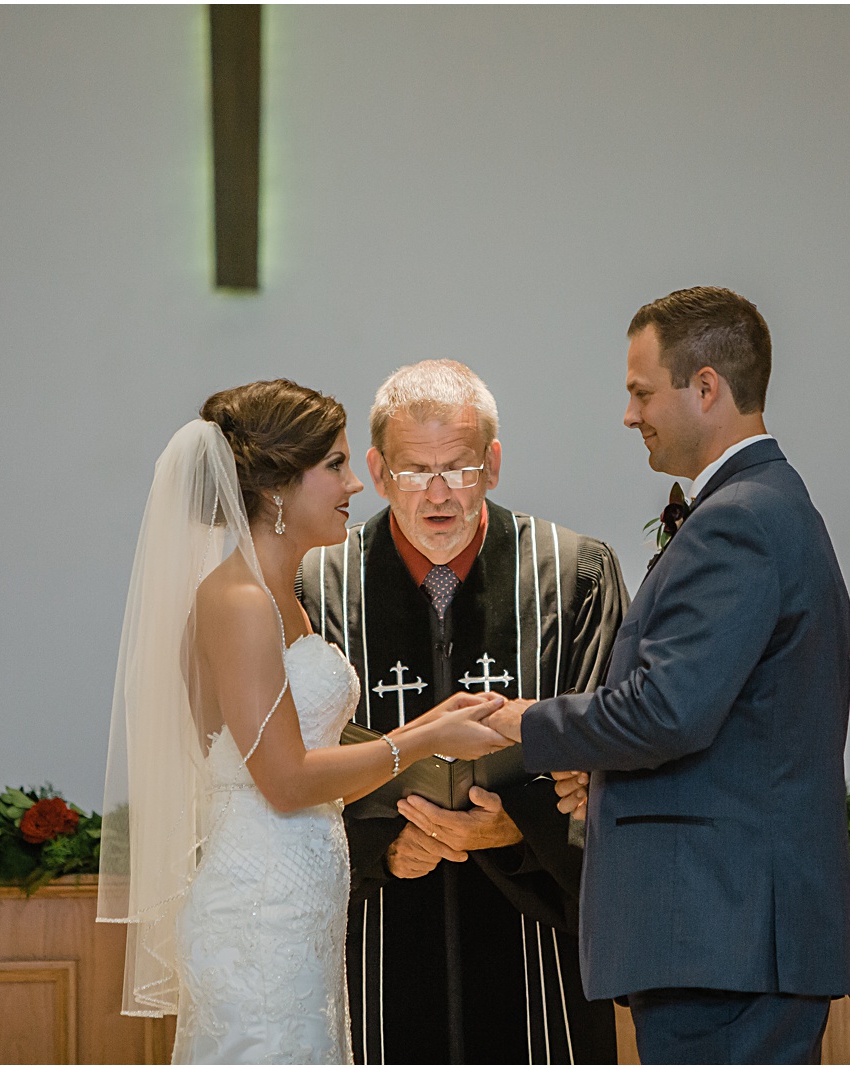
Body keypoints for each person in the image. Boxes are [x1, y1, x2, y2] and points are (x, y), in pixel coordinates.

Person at [487, 287, 850, 1063]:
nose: (630, 415)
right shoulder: (765, 505)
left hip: (722, 934)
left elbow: (669, 709)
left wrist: (522, 723)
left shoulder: (741, 517)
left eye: (640, 391)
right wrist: (606, 776)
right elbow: (735, 724)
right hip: (728, 934)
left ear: (705, 387)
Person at [96, 379, 510, 1064]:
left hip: (299, 910)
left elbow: (293, 765)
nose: (354, 483)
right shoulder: (238, 600)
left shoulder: (283, 599)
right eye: (337, 465)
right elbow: (284, 780)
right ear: (280, 485)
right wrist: (427, 734)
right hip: (258, 913)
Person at [297, 360, 628, 1064]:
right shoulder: (316, 587)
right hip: (377, 945)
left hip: (538, 953)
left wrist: (516, 826)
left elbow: (615, 764)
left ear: (494, 464)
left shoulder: (574, 578)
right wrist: (383, 845)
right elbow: (288, 776)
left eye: (460, 467)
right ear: (379, 472)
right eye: (416, 472)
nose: (439, 494)